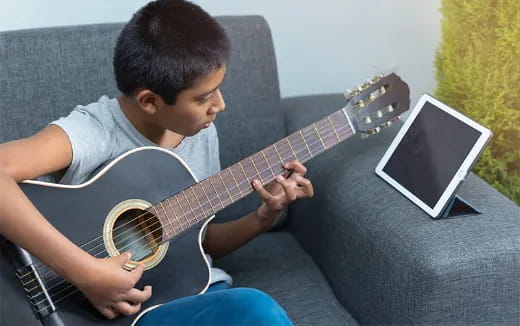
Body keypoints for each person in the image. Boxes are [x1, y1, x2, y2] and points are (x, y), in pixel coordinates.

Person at [0, 0, 314, 324]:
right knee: (255, 309)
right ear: (150, 101)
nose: (219, 105)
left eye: (218, 90)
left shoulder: (202, 132)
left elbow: (197, 240)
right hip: (78, 311)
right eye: (204, 97)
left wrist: (263, 217)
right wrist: (86, 273)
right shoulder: (95, 131)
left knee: (253, 312)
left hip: (178, 299)